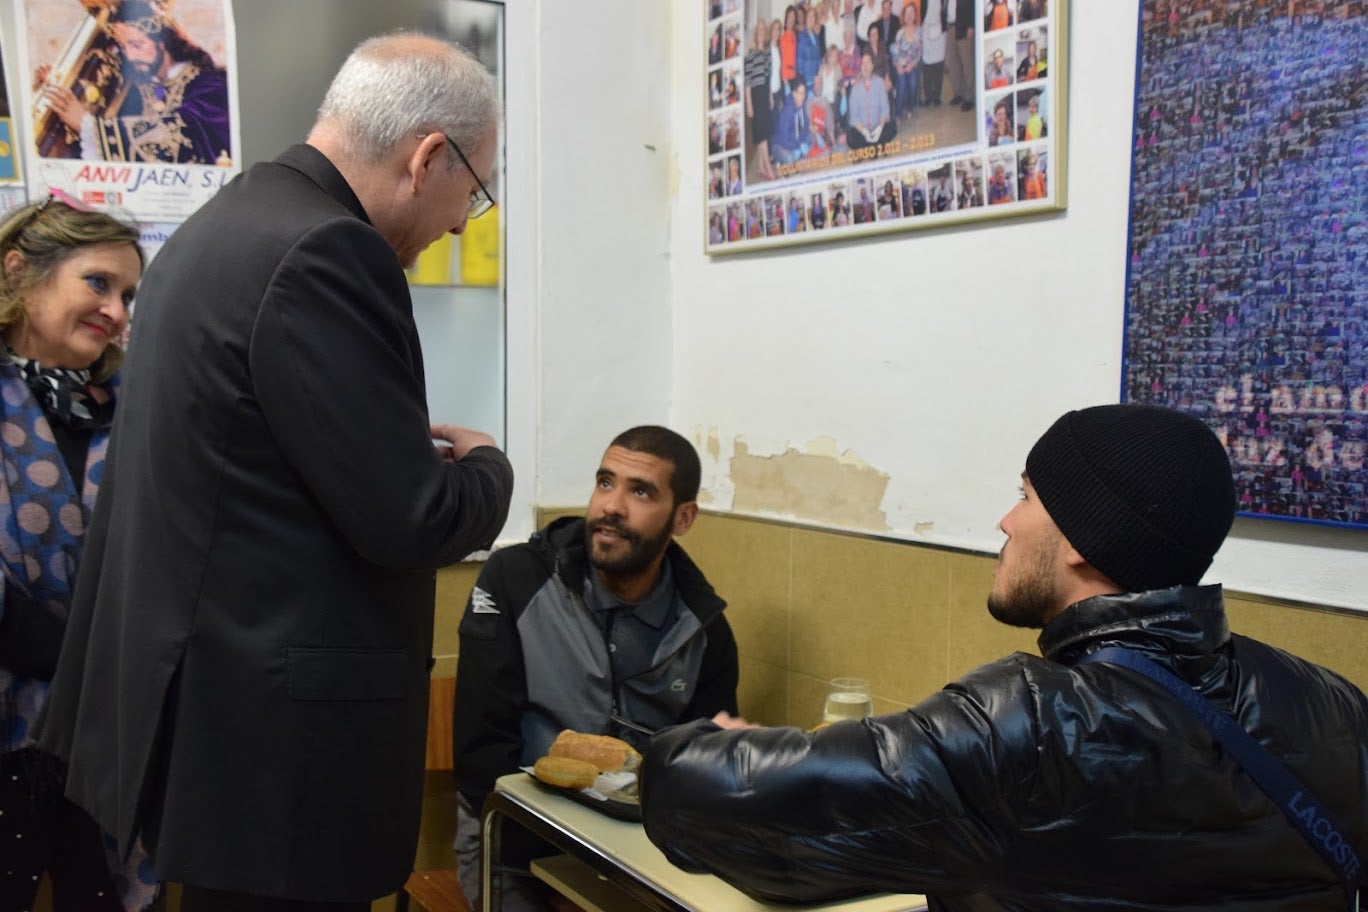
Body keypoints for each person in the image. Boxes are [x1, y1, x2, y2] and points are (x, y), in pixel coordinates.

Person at [36, 32, 515, 912]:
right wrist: (487, 469)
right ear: (429, 157)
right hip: (278, 761)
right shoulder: (329, 251)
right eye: (473, 194)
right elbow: (410, 516)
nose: (458, 223)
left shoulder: (217, 228)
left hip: (214, 734)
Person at [639, 404, 1368, 911]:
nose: (1005, 520)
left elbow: (696, 792)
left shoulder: (1032, 721)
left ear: (1083, 538)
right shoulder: (1332, 703)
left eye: (1024, 496)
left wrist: (720, 745)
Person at [452, 426, 739, 911]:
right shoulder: (517, 580)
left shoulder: (704, 629)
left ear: (683, 517)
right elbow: (482, 760)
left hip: (642, 860)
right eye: (605, 483)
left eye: (641, 491)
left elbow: (707, 775)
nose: (612, 506)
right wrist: (571, 869)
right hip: (511, 845)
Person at [0, 195, 159, 912]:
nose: (118, 311)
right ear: (19, 274)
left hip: (108, 739)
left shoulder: (131, 412)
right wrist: (88, 656)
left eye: (128, 295)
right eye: (98, 283)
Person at [36, 0, 230, 164]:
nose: (130, 55)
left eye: (137, 45)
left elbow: (185, 131)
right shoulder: (136, 85)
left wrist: (90, 128)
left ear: (164, 42)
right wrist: (56, 87)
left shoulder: (211, 85)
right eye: (123, 47)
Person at [744, 20, 777, 181]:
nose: (763, 32)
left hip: (765, 92)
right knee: (762, 132)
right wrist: (749, 103)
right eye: (760, 29)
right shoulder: (750, 54)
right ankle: (768, 168)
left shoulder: (768, 53)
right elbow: (747, 81)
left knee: (764, 130)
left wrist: (770, 95)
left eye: (765, 29)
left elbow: (769, 77)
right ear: (756, 33)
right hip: (755, 94)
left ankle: (762, 167)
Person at [846, 51, 895, 149]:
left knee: (892, 127)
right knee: (850, 138)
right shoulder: (855, 88)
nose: (865, 66)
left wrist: (879, 128)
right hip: (862, 130)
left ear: (872, 66)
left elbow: (885, 110)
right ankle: (875, 146)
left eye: (868, 63)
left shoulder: (880, 83)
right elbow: (854, 118)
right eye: (863, 63)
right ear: (861, 68)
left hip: (878, 126)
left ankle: (870, 147)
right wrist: (865, 132)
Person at [770, 79, 812, 165]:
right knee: (790, 158)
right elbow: (783, 139)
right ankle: (784, 162)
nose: (803, 96)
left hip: (794, 141)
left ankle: (795, 159)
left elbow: (805, 126)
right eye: (800, 93)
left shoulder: (801, 104)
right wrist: (797, 146)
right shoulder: (787, 111)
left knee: (811, 137)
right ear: (794, 94)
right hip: (780, 145)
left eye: (804, 93)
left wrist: (800, 142)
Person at [945, 0, 976, 110]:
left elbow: (974, 4)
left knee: (967, 63)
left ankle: (970, 97)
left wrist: (972, 25)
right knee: (953, 63)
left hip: (964, 27)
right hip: (950, 27)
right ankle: (958, 93)